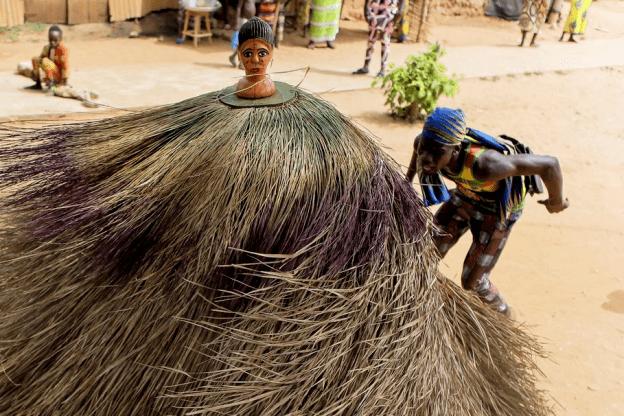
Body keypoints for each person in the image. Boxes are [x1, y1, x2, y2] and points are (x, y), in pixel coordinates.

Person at [0, 20, 552, 416]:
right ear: (239, 56)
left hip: (490, 214)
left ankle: (482, 307)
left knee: (466, 277)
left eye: (264, 52)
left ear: (273, 53)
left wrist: (555, 198)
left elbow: (533, 168)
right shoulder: (213, 128)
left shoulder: (482, 162)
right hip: (219, 278)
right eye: (249, 53)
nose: (256, 60)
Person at [406, 107, 569, 316]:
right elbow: (418, 150)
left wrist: (557, 202)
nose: (426, 158)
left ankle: (504, 316)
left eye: (437, 152)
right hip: (466, 196)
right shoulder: (424, 145)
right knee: (424, 252)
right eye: (424, 148)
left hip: (497, 212)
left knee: (473, 281)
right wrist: (406, 183)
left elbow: (550, 164)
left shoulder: (486, 165)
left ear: (455, 149)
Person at [353, 0, 405, 78]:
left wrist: (400, 11)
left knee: (385, 41)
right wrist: (366, 9)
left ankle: (382, 70)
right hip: (374, 12)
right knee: (371, 40)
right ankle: (366, 66)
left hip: (389, 14)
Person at [22, 25, 69, 90]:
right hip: (49, 71)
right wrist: (35, 72)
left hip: (58, 75)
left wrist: (64, 82)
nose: (52, 42)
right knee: (35, 59)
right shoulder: (47, 47)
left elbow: (65, 66)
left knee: (45, 61)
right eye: (50, 40)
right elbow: (41, 59)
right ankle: (38, 84)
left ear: (60, 39)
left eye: (55, 40)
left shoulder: (62, 50)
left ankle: (51, 83)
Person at [228, 0, 256, 68]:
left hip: (250, 19)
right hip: (243, 19)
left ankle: (233, 57)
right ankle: (241, 62)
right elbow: (239, 7)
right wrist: (237, 23)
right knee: (244, 42)